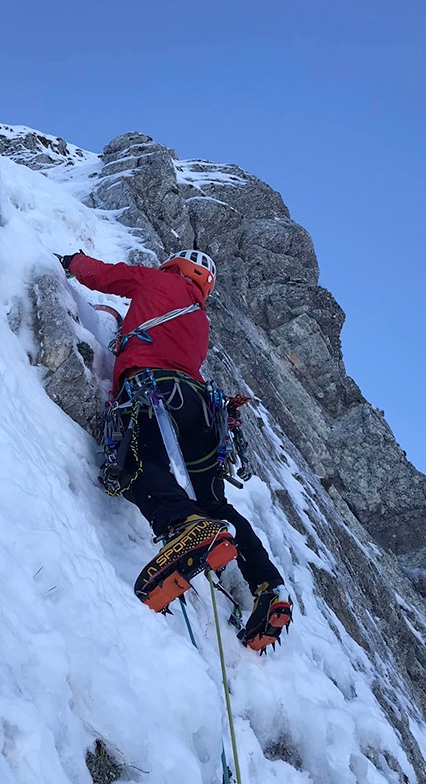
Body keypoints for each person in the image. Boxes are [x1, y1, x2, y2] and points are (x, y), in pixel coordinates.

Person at [56, 249, 292, 650]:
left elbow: (103, 275)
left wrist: (71, 261)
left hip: (155, 390)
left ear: (173, 266)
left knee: (139, 464)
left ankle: (186, 527)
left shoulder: (156, 280)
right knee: (215, 504)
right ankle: (269, 586)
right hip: (201, 409)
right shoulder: (200, 319)